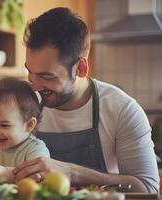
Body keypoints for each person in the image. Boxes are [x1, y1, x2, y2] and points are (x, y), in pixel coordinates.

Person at [12, 7, 159, 193]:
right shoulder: (23, 104)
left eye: (46, 77)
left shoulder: (122, 110)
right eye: (30, 72)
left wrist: (75, 173)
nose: (34, 86)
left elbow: (147, 188)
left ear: (80, 68)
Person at [0, 77, 50, 183]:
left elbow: (39, 176)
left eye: (4, 125)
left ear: (29, 124)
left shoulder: (35, 149)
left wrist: (5, 174)